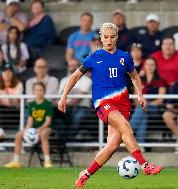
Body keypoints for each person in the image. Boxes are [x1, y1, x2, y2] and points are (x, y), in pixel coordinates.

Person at [58, 23, 162, 188]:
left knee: (112, 146)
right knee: (126, 127)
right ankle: (145, 165)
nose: (108, 40)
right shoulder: (93, 57)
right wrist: (63, 97)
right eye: (105, 37)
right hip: (104, 103)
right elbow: (74, 76)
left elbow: (135, 76)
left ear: (116, 37)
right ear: (101, 38)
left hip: (123, 104)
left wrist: (140, 95)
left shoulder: (125, 57)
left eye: (112, 37)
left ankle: (85, 174)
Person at [4, 82, 54, 168]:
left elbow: (48, 121)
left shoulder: (48, 104)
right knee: (18, 135)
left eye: (40, 90)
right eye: (36, 90)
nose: (38, 92)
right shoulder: (32, 105)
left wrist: (40, 129)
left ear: (44, 91)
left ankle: (47, 161)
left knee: (43, 134)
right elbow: (30, 121)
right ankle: (16, 161)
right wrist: (26, 129)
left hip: (46, 128)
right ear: (33, 92)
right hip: (34, 128)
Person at [130, 57, 166, 144]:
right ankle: (141, 145)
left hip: (155, 108)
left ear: (156, 67)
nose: (150, 67)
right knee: (143, 116)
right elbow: (135, 98)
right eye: (148, 65)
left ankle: (125, 132)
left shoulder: (161, 81)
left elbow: (160, 99)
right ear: (144, 66)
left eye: (152, 65)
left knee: (142, 110)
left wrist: (145, 104)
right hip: (141, 108)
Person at [58, 58, 92, 138]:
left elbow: (79, 98)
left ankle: (70, 139)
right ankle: (61, 140)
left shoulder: (87, 80)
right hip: (66, 106)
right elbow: (60, 95)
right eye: (70, 65)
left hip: (82, 107)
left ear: (79, 67)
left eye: (74, 65)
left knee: (77, 117)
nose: (72, 67)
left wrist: (67, 102)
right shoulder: (63, 80)